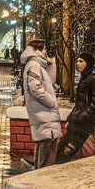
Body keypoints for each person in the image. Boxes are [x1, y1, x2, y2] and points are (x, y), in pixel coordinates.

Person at [59, 51, 95, 161]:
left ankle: (56, 170)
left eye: (81, 61)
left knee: (68, 151)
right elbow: (80, 104)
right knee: (61, 145)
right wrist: (71, 118)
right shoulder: (86, 77)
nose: (78, 64)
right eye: (77, 61)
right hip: (80, 120)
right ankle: (51, 167)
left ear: (88, 63)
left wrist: (80, 118)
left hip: (87, 122)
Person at [19, 40, 62, 168]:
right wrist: (52, 102)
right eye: (44, 50)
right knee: (47, 144)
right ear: (37, 50)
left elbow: (49, 81)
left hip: (43, 111)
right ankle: (40, 176)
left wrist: (50, 64)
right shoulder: (34, 65)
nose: (46, 52)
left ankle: (38, 172)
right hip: (43, 111)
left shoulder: (38, 64)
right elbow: (35, 88)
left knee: (45, 141)